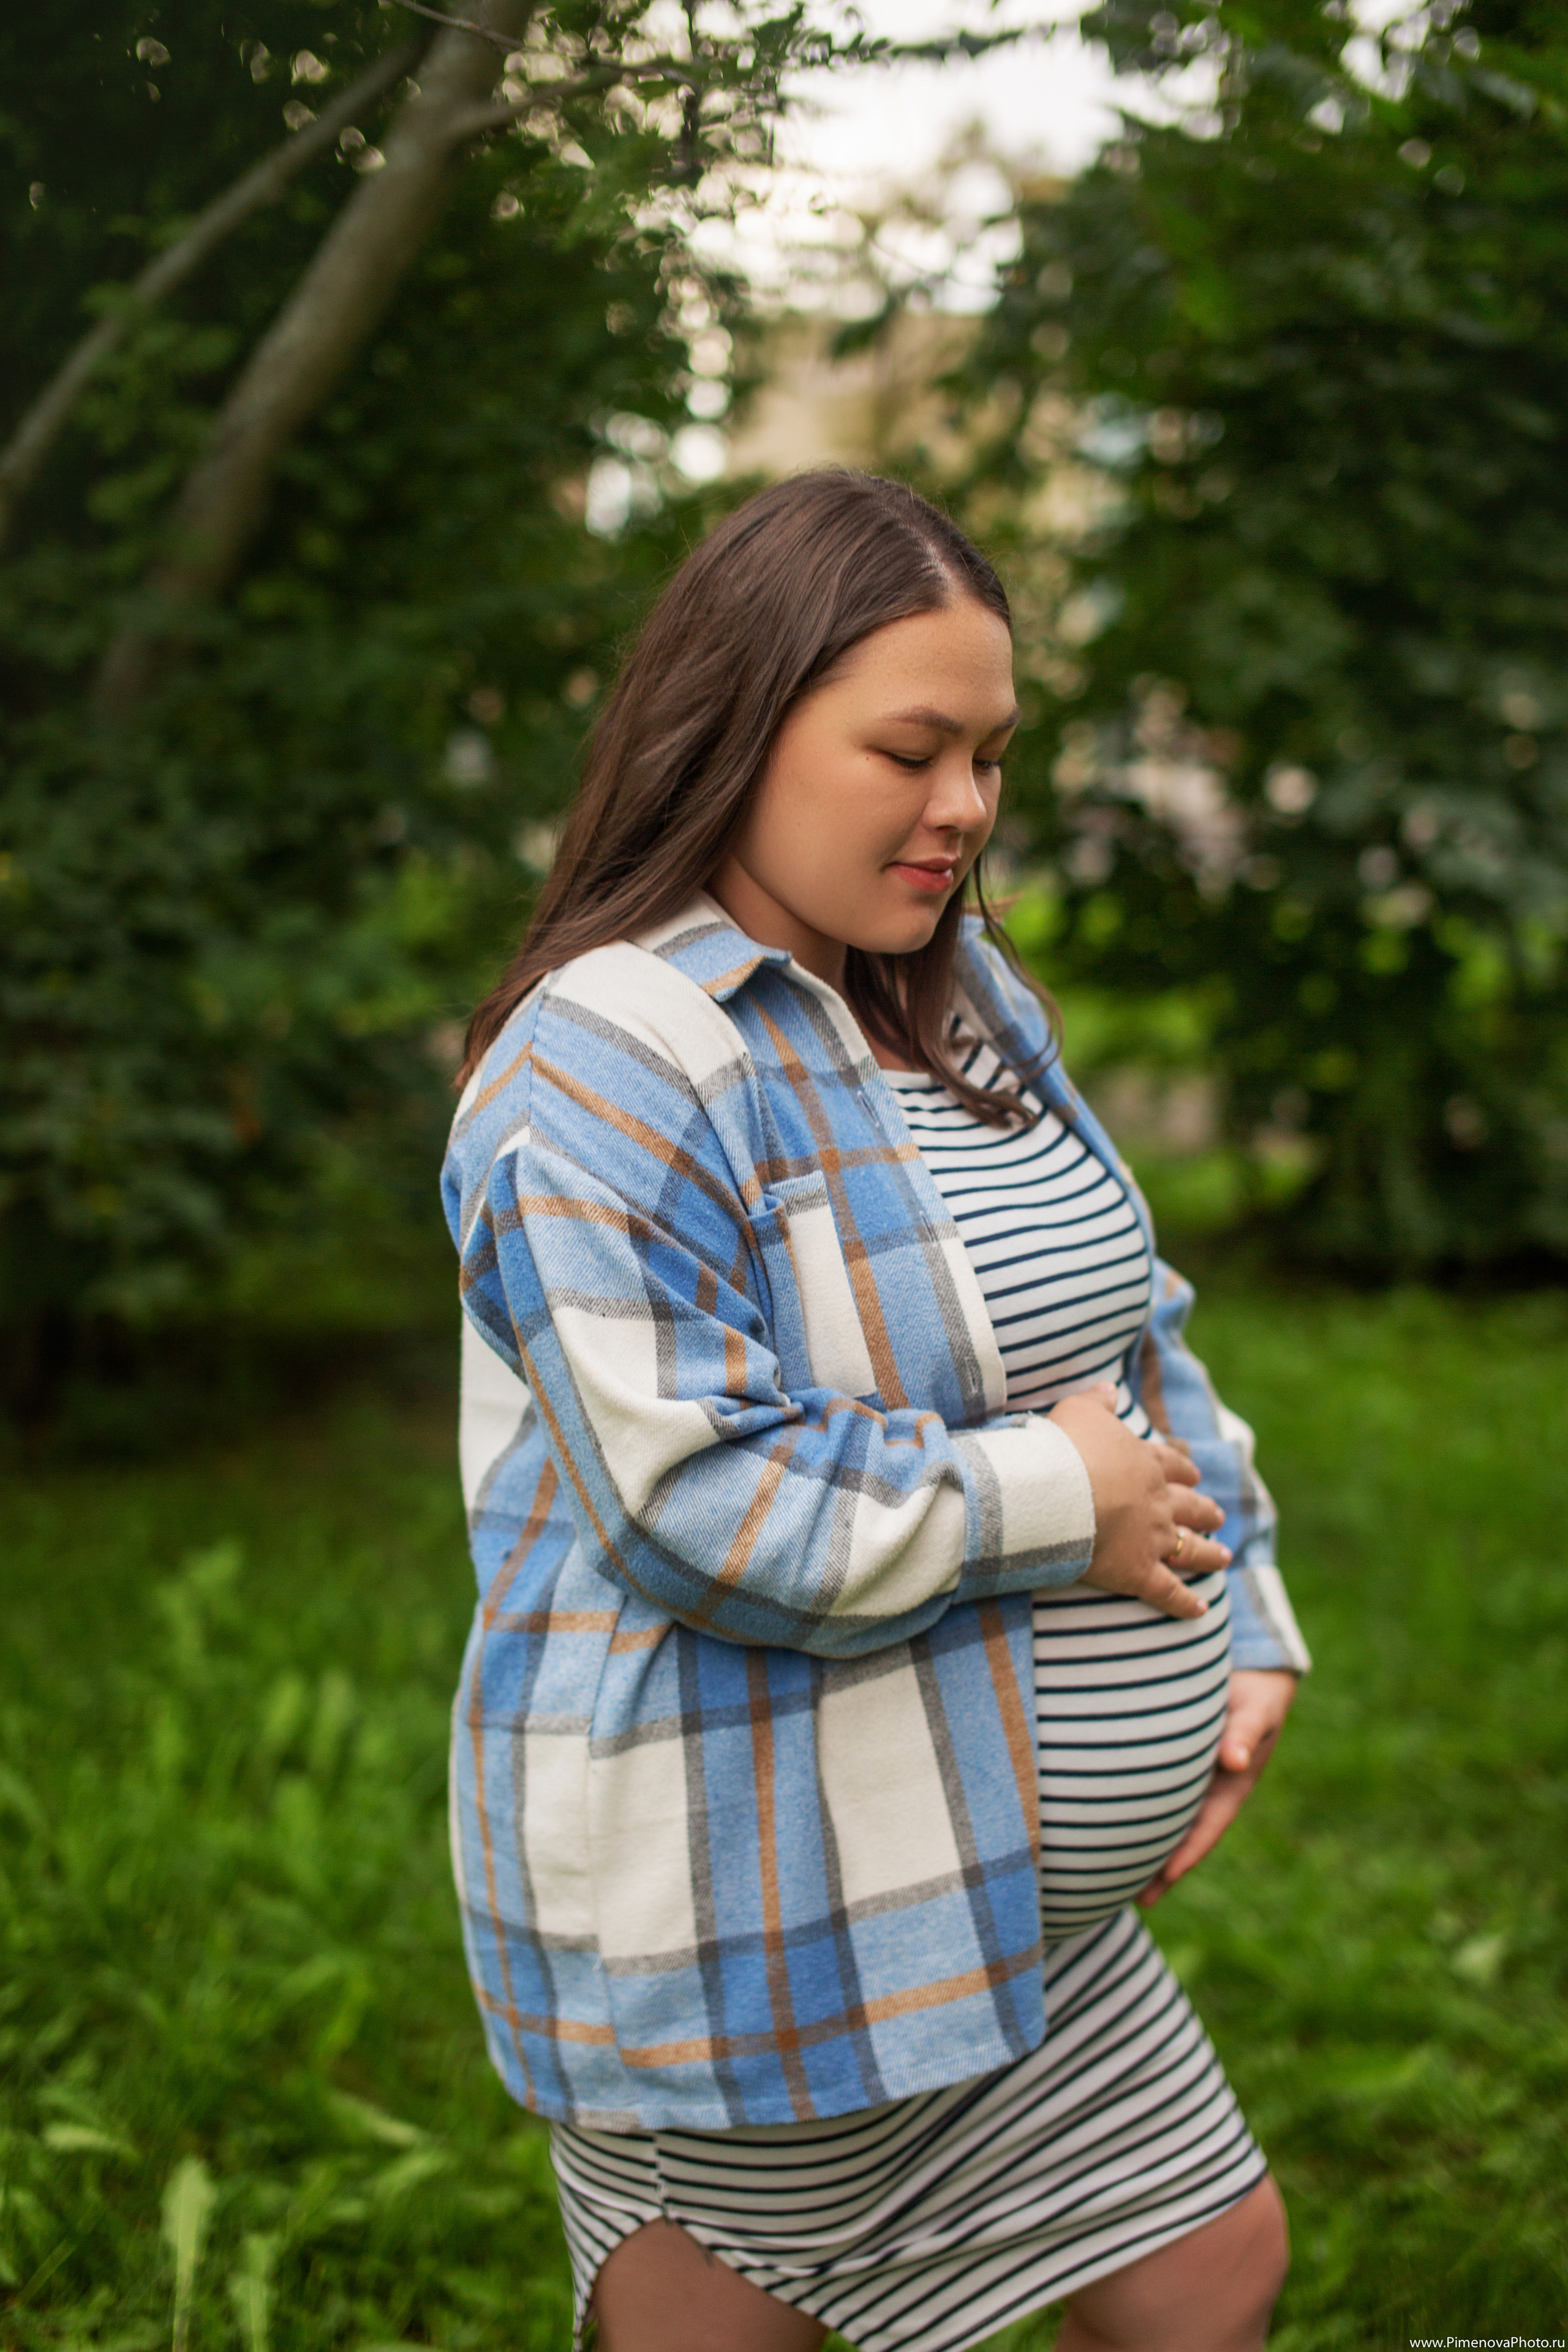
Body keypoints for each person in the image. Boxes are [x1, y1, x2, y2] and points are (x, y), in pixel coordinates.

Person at [442, 471, 1311, 2352]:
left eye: (993, 754)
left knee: (1211, 2270)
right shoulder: (608, 1062)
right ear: (737, 728)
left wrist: (1246, 1606)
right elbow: (699, 1498)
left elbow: (1131, 1329)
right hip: (783, 1909)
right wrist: (1055, 1503)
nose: (969, 809)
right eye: (910, 750)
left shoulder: (961, 992)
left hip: (1011, 1916)